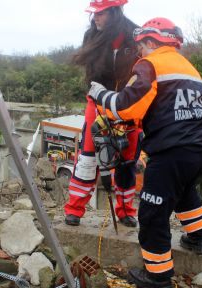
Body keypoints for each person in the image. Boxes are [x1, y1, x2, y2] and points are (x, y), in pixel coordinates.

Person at [88, 17, 202, 288]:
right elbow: (164, 105)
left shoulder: (151, 64)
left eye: (141, 46)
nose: (140, 53)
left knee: (152, 211)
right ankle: (198, 236)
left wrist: (101, 95)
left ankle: (157, 276)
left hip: (172, 150)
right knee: (184, 190)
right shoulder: (188, 67)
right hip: (201, 147)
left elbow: (125, 105)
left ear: (150, 41)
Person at [63, 0, 141, 228]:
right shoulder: (92, 36)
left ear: (114, 12)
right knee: (88, 156)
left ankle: (126, 211)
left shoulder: (134, 35)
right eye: (94, 14)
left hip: (128, 105)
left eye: (101, 13)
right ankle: (75, 209)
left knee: (127, 161)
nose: (95, 18)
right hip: (97, 103)